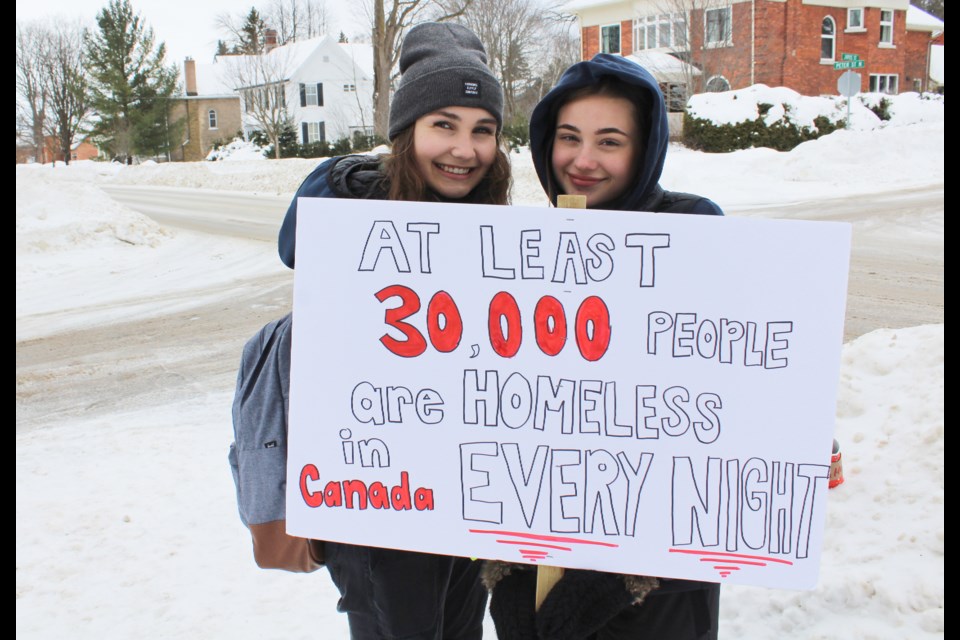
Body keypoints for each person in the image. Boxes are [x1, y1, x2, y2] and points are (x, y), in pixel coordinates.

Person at [273, 21, 509, 640]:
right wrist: (344, 182)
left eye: (482, 130)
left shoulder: (491, 225)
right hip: (375, 501)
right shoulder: (356, 203)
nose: (465, 149)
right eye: (444, 125)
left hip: (460, 498)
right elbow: (294, 244)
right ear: (408, 132)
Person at [483, 53, 722, 640]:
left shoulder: (697, 232)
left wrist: (623, 576)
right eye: (568, 138)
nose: (583, 161)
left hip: (660, 600)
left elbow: (722, 434)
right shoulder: (520, 252)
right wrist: (505, 565)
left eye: (609, 142)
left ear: (645, 149)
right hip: (541, 573)